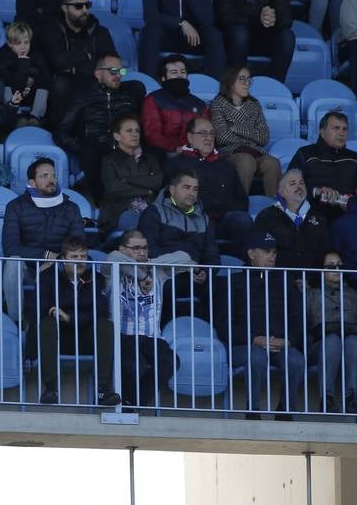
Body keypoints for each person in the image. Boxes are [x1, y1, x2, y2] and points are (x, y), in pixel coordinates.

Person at [225, 233, 306, 417]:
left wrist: (289, 341)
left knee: (295, 360)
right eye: (266, 251)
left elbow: (298, 318)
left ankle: (285, 411)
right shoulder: (234, 281)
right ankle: (252, 410)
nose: (272, 256)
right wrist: (254, 339)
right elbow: (223, 324)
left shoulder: (285, 280)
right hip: (244, 345)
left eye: (275, 252)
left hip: (280, 344)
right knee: (256, 357)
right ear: (251, 254)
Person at [1, 158, 86, 326]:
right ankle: (15, 322)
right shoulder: (16, 206)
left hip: (61, 268)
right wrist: (45, 255)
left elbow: (79, 245)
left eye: (53, 175)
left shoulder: (71, 208)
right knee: (13, 263)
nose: (51, 180)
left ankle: (67, 321)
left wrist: (56, 262)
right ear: (32, 182)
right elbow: (10, 248)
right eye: (44, 176)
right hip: (29, 269)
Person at [37, 237, 121, 406]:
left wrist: (69, 316)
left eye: (83, 257)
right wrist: (80, 310)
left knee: (105, 325)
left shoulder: (95, 278)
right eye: (74, 257)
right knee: (47, 323)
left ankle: (102, 391)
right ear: (63, 259)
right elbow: (44, 308)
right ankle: (50, 389)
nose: (80, 261)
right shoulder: (47, 276)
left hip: (85, 335)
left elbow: (100, 310)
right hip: (58, 337)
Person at [108, 230, 180, 407]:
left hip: (151, 336)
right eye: (136, 248)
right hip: (122, 335)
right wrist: (141, 275)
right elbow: (112, 257)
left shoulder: (158, 271)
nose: (142, 252)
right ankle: (123, 401)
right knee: (133, 364)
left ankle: (131, 403)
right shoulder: (113, 270)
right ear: (123, 249)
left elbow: (183, 257)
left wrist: (149, 265)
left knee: (171, 362)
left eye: (145, 248)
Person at [56, 53, 143, 199]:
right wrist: (82, 147)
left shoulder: (128, 95)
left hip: (124, 147)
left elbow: (138, 127)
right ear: (98, 74)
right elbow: (61, 131)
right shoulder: (82, 96)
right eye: (113, 71)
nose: (118, 75)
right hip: (95, 150)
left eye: (121, 71)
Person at [138, 171, 220, 314]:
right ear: (172, 189)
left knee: (225, 288)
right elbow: (148, 250)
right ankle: (162, 333)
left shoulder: (204, 219)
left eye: (195, 189)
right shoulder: (154, 212)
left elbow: (212, 255)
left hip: (195, 277)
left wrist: (206, 272)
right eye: (186, 187)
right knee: (165, 287)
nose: (192, 193)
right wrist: (183, 266)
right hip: (164, 274)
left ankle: (209, 334)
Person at [165, 116, 254, 248]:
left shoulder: (225, 165)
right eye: (202, 133)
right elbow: (167, 199)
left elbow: (241, 199)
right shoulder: (176, 164)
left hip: (222, 221)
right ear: (190, 137)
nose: (209, 137)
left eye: (212, 133)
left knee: (242, 220)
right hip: (191, 220)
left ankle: (241, 265)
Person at [37, 0, 119, 115]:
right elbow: (58, 61)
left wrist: (77, 60)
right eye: (78, 6)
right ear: (64, 8)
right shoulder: (52, 30)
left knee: (136, 86)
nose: (85, 10)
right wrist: (87, 56)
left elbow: (112, 60)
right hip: (66, 82)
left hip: (95, 80)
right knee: (61, 85)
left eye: (87, 5)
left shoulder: (100, 31)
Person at [299, 251, 357, 412]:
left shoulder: (355, 295)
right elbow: (302, 328)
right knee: (332, 340)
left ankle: (351, 398)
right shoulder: (310, 295)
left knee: (353, 341)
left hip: (351, 346)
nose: (337, 269)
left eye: (339, 265)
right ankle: (326, 397)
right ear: (320, 269)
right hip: (318, 347)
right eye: (331, 266)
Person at [208, 64, 281, 199]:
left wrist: (235, 128)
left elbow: (264, 138)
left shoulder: (254, 105)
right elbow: (222, 137)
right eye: (242, 79)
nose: (247, 83)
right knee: (246, 160)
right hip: (229, 153)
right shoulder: (218, 104)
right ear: (230, 83)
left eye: (248, 79)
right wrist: (251, 136)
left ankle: (274, 207)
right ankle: (239, 206)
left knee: (272, 162)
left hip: (254, 152)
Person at [288, 111, 357, 224]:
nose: (341, 133)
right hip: (313, 211)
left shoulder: (354, 158)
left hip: (347, 213)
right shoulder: (305, 153)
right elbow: (289, 186)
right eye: (336, 128)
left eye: (344, 129)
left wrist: (350, 201)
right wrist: (316, 191)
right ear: (322, 131)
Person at [253, 169, 331, 272]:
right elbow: (260, 253)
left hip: (312, 283)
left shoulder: (319, 217)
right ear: (281, 192)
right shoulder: (267, 216)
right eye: (293, 183)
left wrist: (313, 280)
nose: (299, 187)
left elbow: (326, 253)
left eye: (302, 183)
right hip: (279, 282)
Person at [98, 115, 162, 235]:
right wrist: (146, 191)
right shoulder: (109, 160)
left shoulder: (150, 158)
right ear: (117, 136)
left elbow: (156, 182)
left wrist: (126, 179)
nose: (135, 134)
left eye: (137, 131)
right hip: (119, 211)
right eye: (129, 131)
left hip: (150, 208)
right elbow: (114, 187)